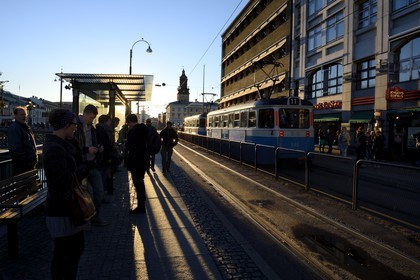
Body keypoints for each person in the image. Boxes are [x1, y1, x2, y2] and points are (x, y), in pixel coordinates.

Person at [43, 109, 93, 280]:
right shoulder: (55, 149)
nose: (75, 128)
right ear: (65, 125)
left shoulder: (62, 144)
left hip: (66, 208)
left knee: (69, 251)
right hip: (62, 209)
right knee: (66, 254)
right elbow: (63, 181)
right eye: (73, 125)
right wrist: (85, 169)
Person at [71, 104, 108, 226]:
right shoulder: (75, 126)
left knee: (99, 191)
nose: (92, 120)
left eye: (93, 118)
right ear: (85, 114)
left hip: (92, 163)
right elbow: (73, 147)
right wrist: (87, 150)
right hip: (81, 164)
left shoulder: (91, 127)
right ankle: (85, 218)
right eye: (91, 117)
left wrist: (98, 148)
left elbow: (92, 141)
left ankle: (94, 216)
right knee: (84, 193)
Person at [125, 114, 149, 214]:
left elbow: (128, 147)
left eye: (128, 123)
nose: (128, 125)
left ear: (130, 122)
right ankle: (142, 204)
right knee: (140, 182)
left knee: (138, 184)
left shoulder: (132, 132)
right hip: (143, 160)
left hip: (135, 161)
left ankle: (141, 207)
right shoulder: (145, 130)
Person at [7, 106, 38, 175]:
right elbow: (15, 149)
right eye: (21, 114)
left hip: (28, 165)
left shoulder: (24, 127)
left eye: (25, 114)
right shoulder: (14, 128)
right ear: (15, 116)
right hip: (23, 167)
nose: (24, 116)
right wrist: (28, 161)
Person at [95, 115, 113, 195]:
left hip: (103, 156)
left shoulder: (99, 129)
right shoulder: (103, 130)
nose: (110, 122)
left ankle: (104, 191)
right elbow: (106, 144)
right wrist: (108, 156)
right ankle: (102, 193)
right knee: (103, 174)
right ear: (106, 121)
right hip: (103, 157)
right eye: (109, 121)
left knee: (104, 174)